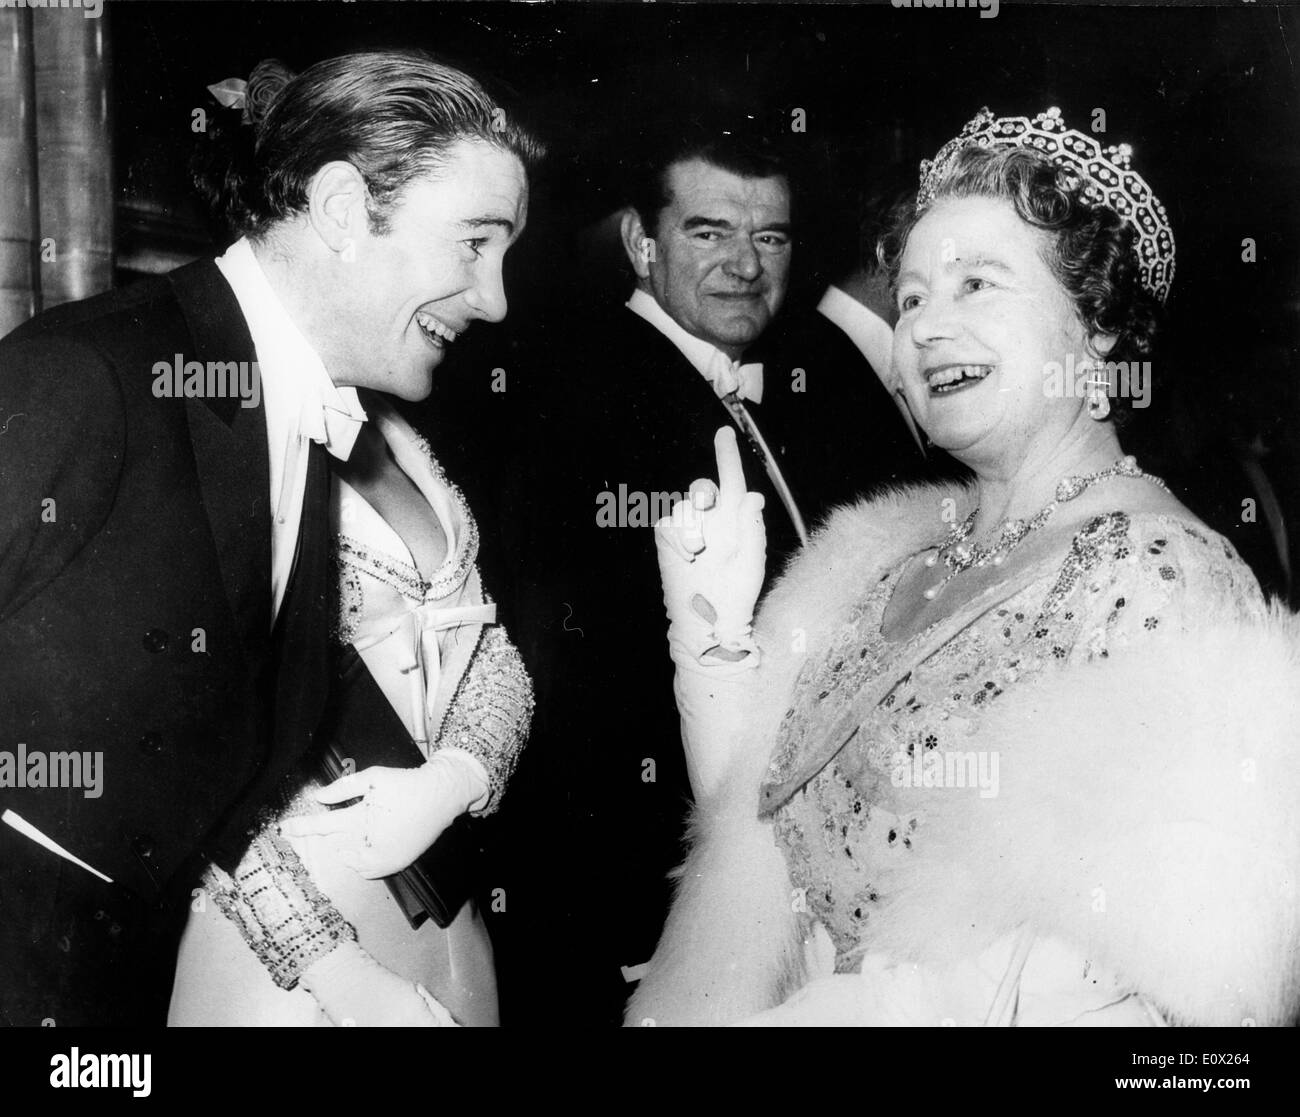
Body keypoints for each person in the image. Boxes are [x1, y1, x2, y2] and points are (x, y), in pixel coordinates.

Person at [628, 108, 1300, 1027]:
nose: (929, 327)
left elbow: (1131, 1000)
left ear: (1096, 325)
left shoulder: (1163, 576)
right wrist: (709, 639)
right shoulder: (881, 559)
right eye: (909, 299)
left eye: (977, 283)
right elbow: (756, 844)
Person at [0, 49, 539, 1027]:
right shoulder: (87, 376)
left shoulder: (311, 422)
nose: (495, 297)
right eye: (473, 243)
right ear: (340, 209)